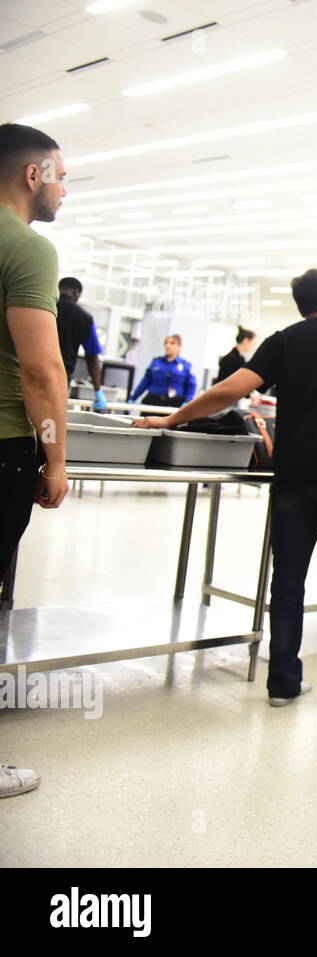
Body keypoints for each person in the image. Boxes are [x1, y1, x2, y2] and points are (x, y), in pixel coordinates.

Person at [135, 269, 317, 708]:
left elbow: (229, 391)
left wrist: (170, 420)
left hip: (295, 479)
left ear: (301, 305)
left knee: (288, 581)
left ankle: (282, 684)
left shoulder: (285, 340)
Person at [0, 122, 71, 798]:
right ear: (33, 174)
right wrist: (56, 456)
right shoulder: (27, 247)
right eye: (61, 176)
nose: (64, 190)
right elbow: (42, 369)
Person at [54, 276, 108, 411]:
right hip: (60, 376)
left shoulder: (45, 307)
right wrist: (98, 391)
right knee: (50, 422)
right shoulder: (84, 318)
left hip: (30, 371)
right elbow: (92, 358)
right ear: (75, 292)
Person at [130, 333, 195, 408]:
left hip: (175, 403)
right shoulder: (156, 362)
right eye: (165, 343)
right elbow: (145, 382)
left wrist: (188, 401)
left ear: (179, 347)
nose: (168, 346)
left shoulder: (185, 365)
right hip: (153, 400)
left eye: (172, 343)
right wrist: (133, 397)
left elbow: (191, 385)